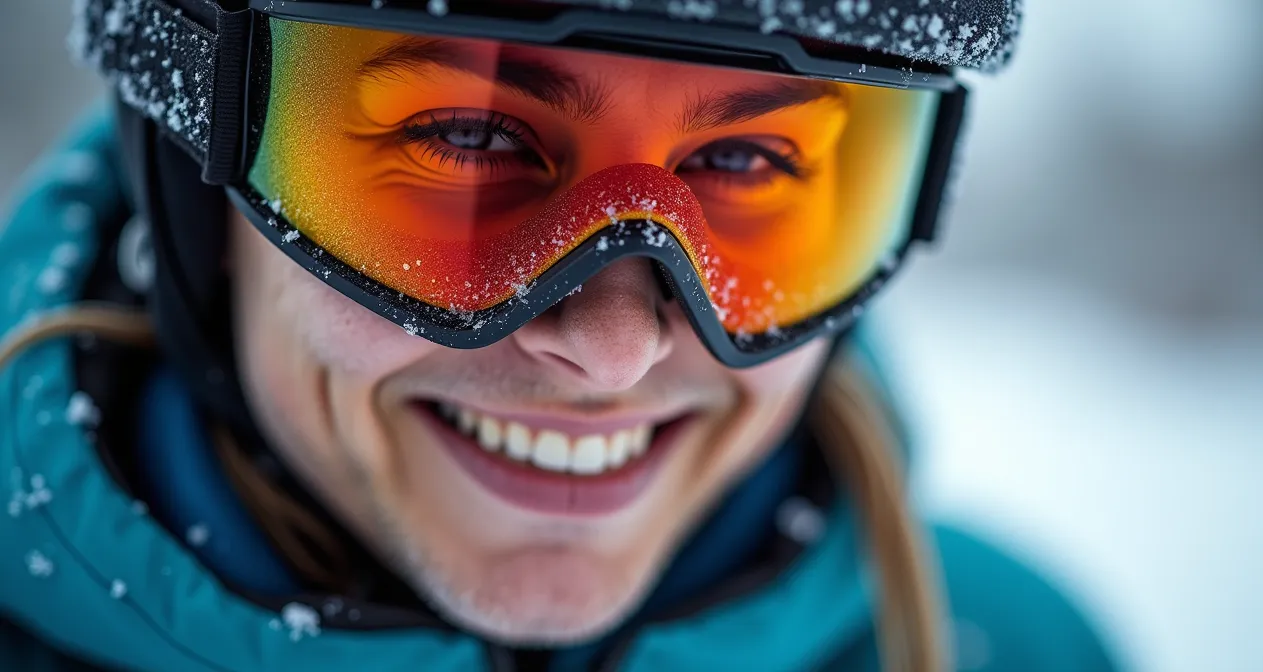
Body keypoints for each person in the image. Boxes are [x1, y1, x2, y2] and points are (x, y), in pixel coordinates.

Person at [0, 1, 1118, 670]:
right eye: (470, 140)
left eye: (744, 165)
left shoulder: (1011, 645)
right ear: (202, 202)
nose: (614, 348)